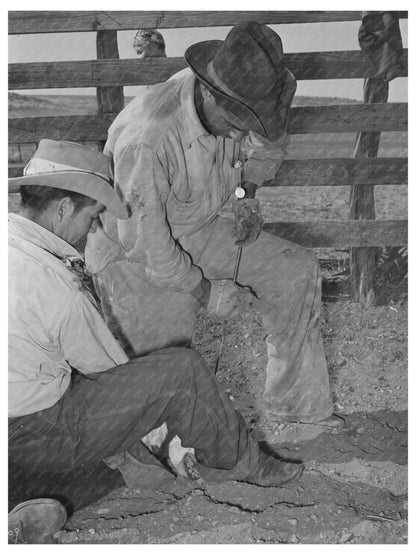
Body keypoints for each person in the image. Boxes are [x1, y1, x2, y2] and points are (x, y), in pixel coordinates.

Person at [8, 140, 303, 522]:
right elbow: (110, 373)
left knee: (116, 461)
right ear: (63, 208)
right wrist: (170, 439)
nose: (92, 227)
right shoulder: (56, 285)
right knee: (180, 372)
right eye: (92, 215)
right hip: (35, 430)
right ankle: (241, 464)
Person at [85, 21, 339, 426]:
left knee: (296, 271)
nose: (244, 133)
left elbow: (268, 142)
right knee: (171, 366)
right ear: (207, 90)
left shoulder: (256, 87)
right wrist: (206, 291)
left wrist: (247, 194)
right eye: (237, 122)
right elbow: (149, 247)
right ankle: (150, 440)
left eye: (252, 122)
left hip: (196, 228)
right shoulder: (147, 138)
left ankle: (296, 412)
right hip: (131, 258)